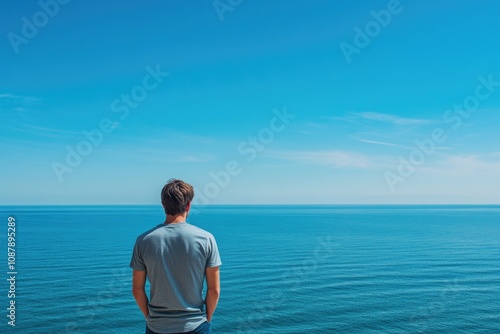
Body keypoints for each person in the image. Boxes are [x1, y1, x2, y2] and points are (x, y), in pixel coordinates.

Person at [130, 179, 221, 334]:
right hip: (195, 326)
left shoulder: (143, 240)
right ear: (188, 205)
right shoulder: (206, 239)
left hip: (156, 328)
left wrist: (150, 318)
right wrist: (208, 318)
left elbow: (137, 290)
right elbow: (214, 291)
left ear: (163, 204)